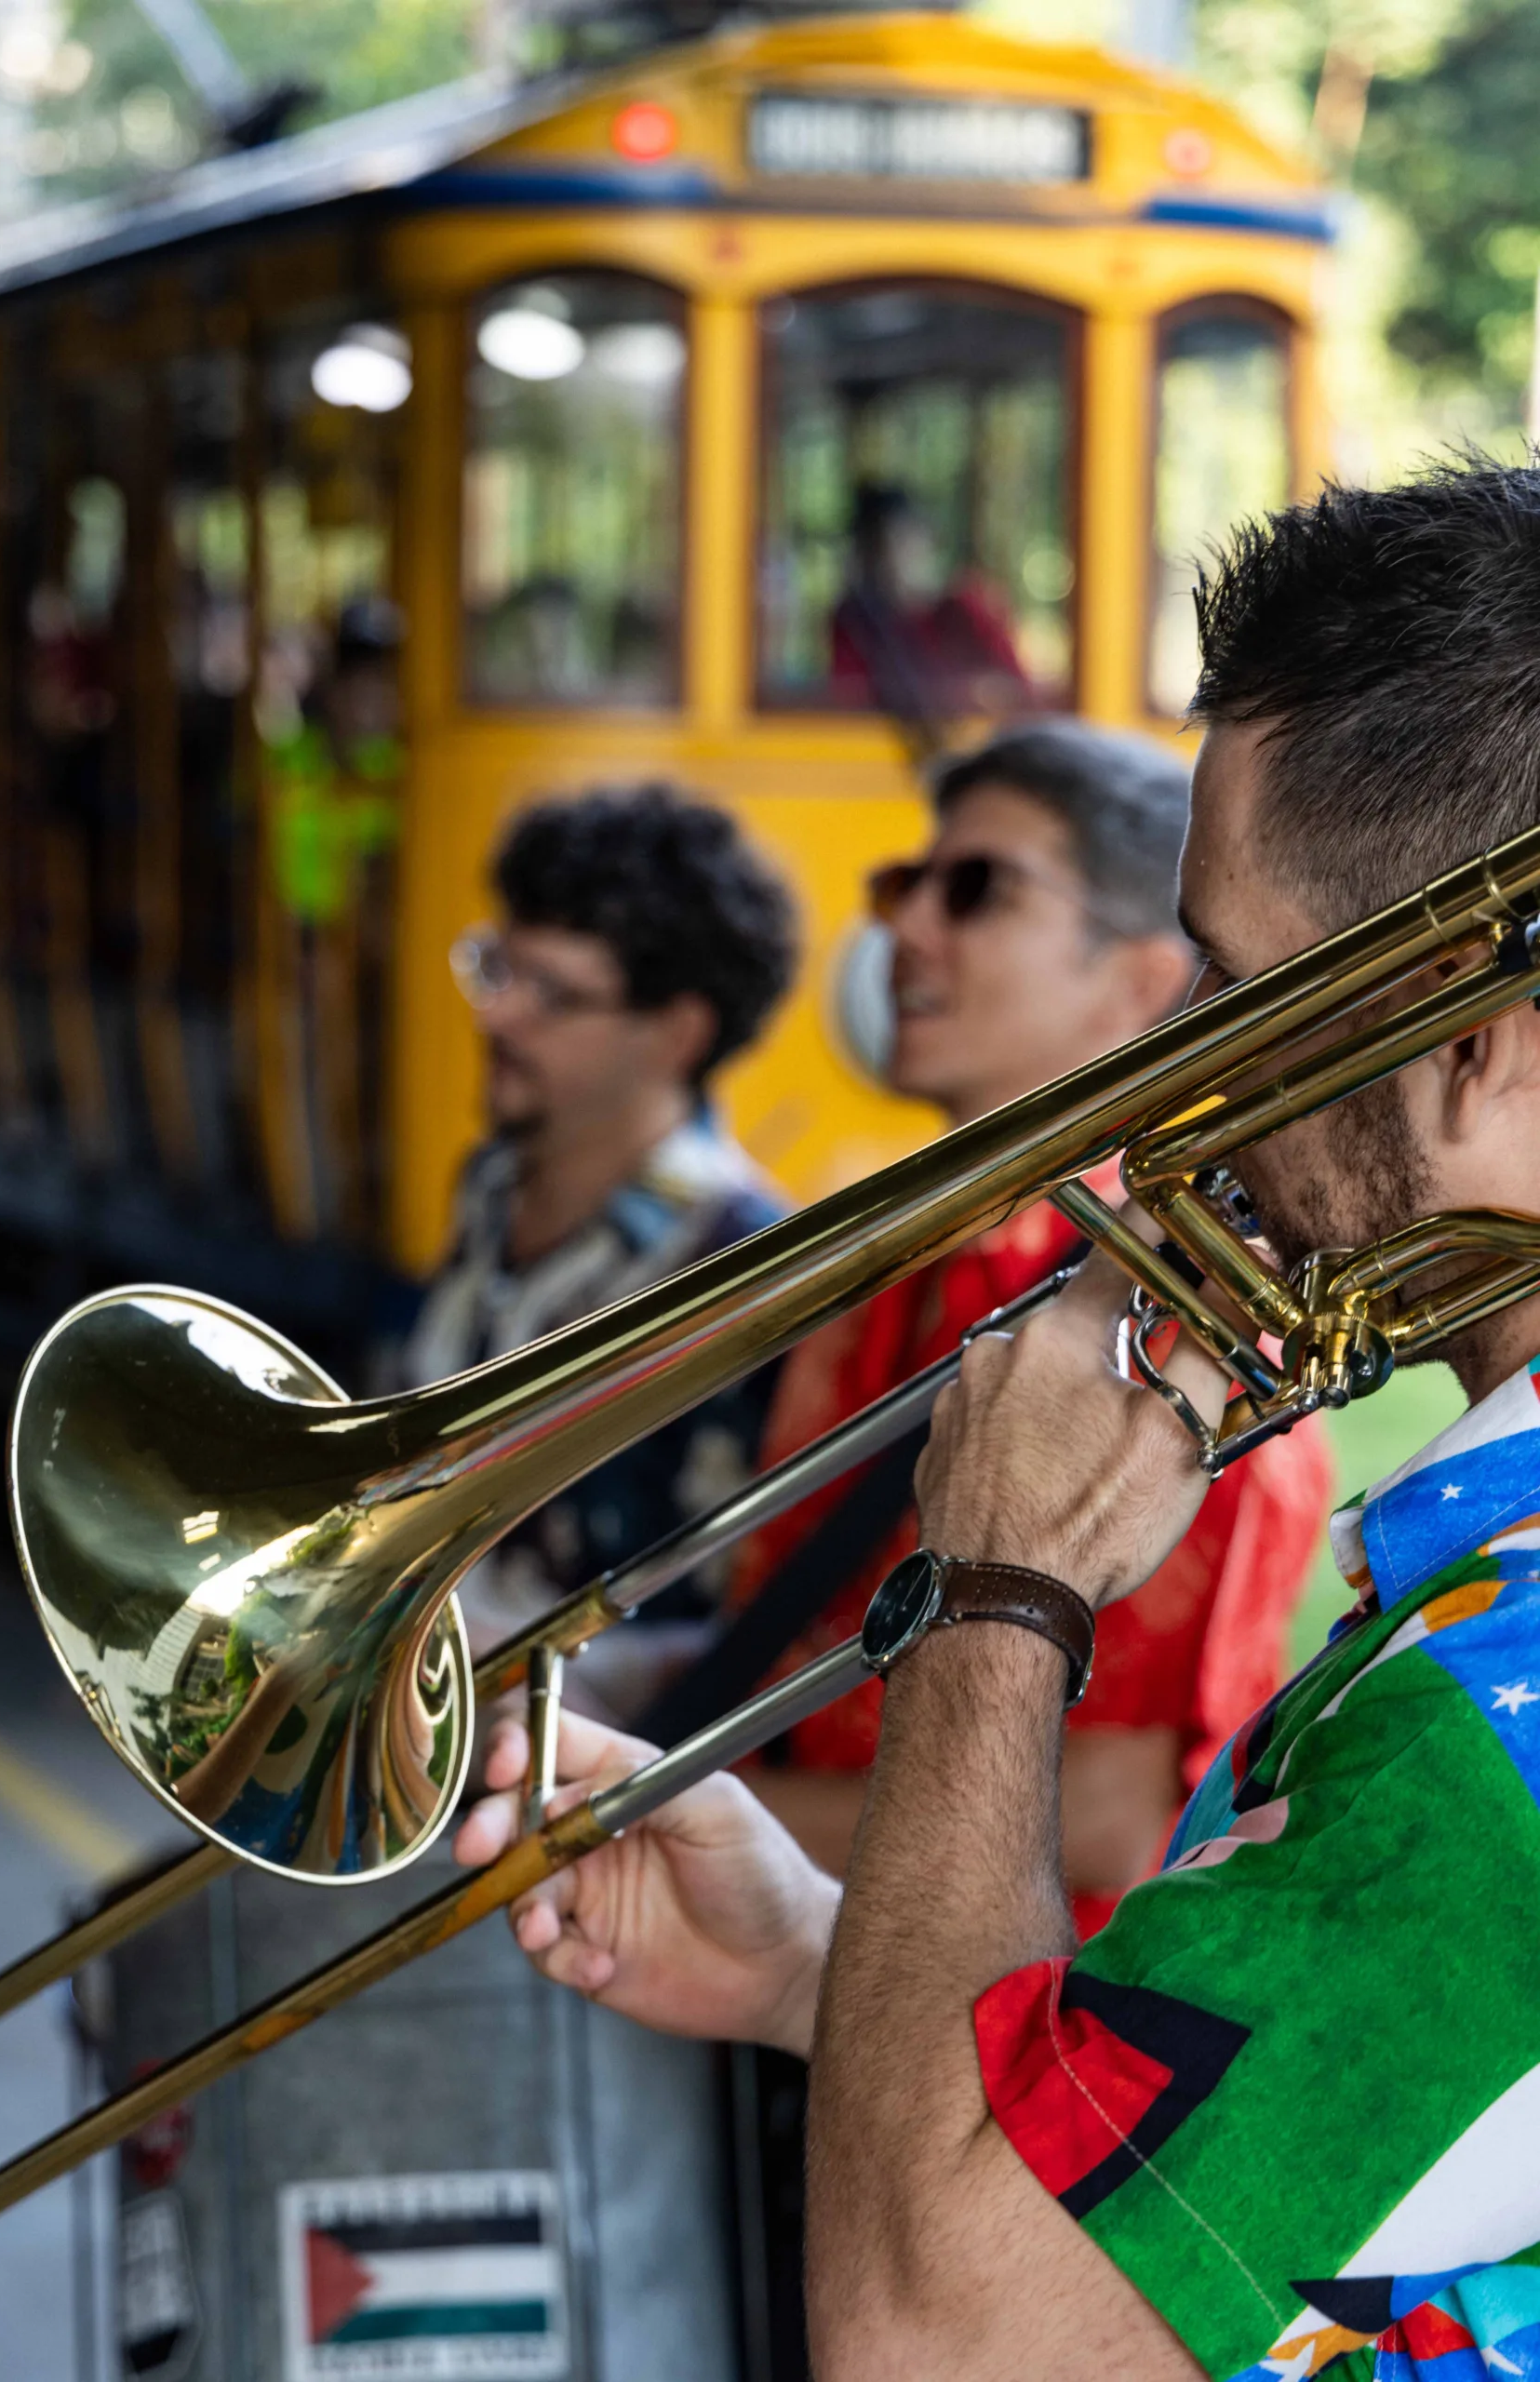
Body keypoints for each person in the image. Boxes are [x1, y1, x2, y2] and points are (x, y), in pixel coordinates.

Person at [458, 458, 1540, 2379]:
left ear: (1474, 1033)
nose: (1176, 1061)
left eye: (1227, 977)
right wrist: (815, 1956)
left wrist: (1000, 1591)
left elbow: (937, 2345)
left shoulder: (1494, 1743)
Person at [730, 722, 1333, 1934]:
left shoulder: (1188, 1310)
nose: (902, 931)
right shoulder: (892, 1270)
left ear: (1145, 980)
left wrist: (656, 1816)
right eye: (906, 887)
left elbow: (1117, 1813)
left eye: (977, 891)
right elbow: (781, 1653)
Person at [397, 782, 797, 1716]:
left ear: (675, 1034)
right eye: (497, 967)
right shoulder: (492, 1183)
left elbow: (748, 1629)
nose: (496, 1014)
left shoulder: (742, 1272)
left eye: (552, 994)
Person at [830, 482, 1033, 719]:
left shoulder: (966, 609)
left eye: (902, 542)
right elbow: (848, 704)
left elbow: (1017, 692)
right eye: (876, 548)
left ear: (927, 540)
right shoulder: (856, 624)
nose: (891, 559)